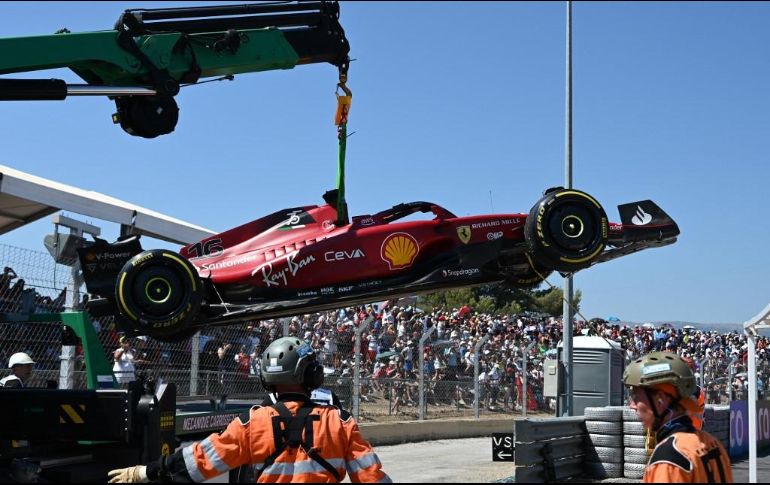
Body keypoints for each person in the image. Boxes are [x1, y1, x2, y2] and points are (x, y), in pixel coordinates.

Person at [107, 336, 391, 483]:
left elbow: (198, 462)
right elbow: (371, 477)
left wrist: (146, 472)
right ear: (312, 375)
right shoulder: (340, 423)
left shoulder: (252, 423)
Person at [623, 351, 732, 483]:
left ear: (660, 400)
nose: (632, 405)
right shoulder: (713, 443)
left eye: (636, 396)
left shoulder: (668, 459)